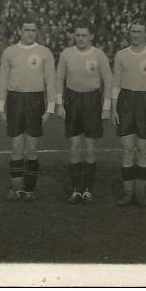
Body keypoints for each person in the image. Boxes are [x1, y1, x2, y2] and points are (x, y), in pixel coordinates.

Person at [0, 19, 57, 202]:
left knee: (32, 148)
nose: (30, 33)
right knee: (16, 146)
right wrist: (1, 108)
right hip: (15, 100)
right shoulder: (10, 52)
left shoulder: (44, 52)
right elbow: (2, 80)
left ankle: (30, 190)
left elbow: (51, 81)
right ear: (19, 30)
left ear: (36, 32)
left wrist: (50, 109)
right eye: (26, 29)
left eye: (33, 30)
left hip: (35, 100)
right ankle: (16, 189)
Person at [54, 21, 113, 204]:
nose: (80, 38)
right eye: (77, 35)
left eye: (83, 35)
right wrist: (59, 104)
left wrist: (106, 106)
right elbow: (59, 79)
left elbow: (108, 80)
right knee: (74, 146)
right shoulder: (66, 54)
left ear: (91, 36)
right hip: (72, 100)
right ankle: (75, 189)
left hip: (92, 101)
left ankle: (87, 189)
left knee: (89, 147)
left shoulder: (98, 54)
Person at [111, 19, 146, 206]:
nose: (136, 34)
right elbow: (115, 83)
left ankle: (140, 194)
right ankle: (127, 193)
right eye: (133, 31)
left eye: (139, 31)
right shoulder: (121, 55)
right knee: (127, 149)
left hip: (145, 102)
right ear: (129, 33)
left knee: (142, 149)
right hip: (125, 102)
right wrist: (114, 108)